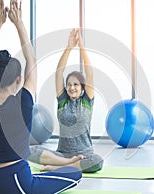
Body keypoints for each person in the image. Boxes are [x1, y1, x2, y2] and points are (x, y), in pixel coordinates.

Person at [0, 0, 82, 194]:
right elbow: (32, 61)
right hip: (17, 185)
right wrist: (19, 23)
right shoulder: (23, 103)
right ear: (19, 79)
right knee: (75, 174)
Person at [29, 29, 104, 173]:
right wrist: (69, 48)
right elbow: (59, 72)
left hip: (85, 155)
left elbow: (90, 72)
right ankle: (67, 164)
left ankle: (57, 168)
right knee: (28, 151)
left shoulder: (87, 101)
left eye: (76, 84)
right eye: (69, 84)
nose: (72, 87)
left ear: (82, 87)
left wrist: (81, 47)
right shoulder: (63, 101)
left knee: (98, 161)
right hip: (62, 155)